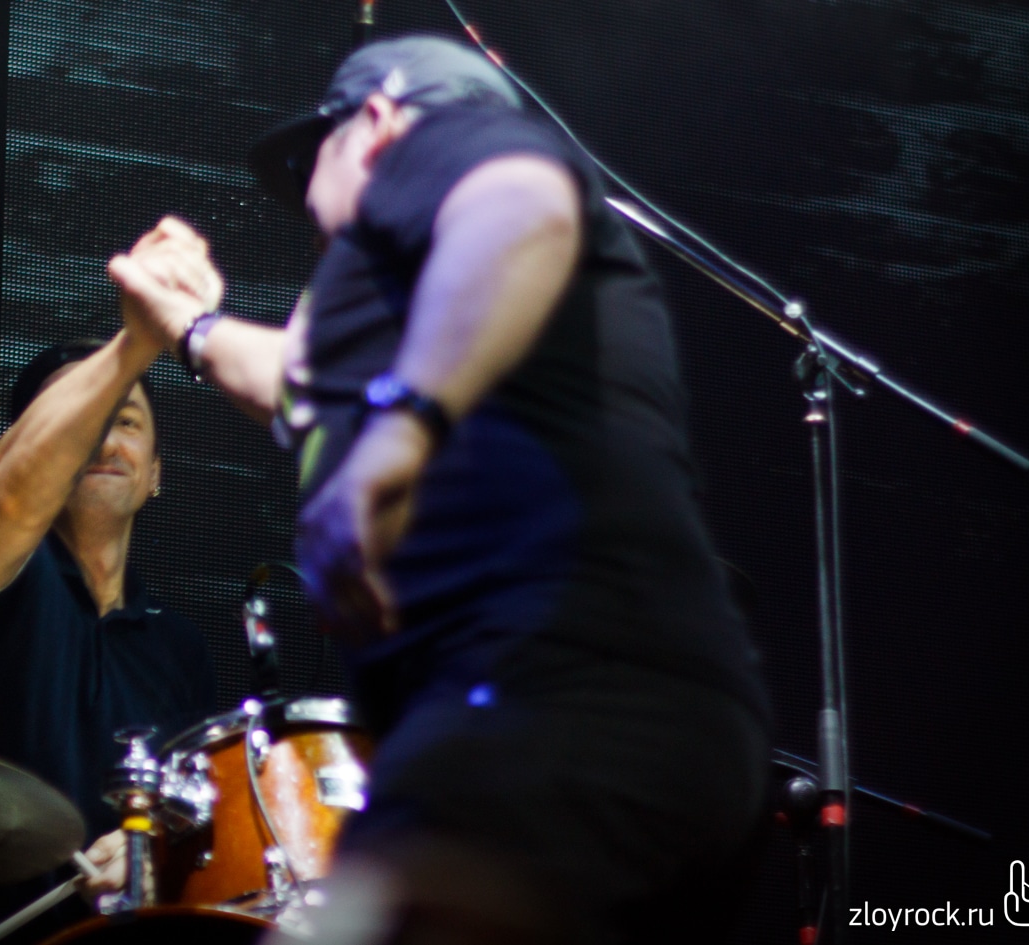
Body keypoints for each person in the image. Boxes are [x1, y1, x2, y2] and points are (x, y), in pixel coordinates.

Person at [104, 34, 771, 945]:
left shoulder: (449, 154)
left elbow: (519, 201)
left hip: (558, 706)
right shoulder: (447, 310)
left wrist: (401, 430)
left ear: (375, 122)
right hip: (620, 726)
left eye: (312, 166)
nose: (311, 213)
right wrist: (189, 323)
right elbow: (302, 381)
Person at [0, 332, 218, 942]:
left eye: (125, 420)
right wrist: (141, 339)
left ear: (155, 474)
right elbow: (10, 499)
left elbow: (196, 834)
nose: (102, 440)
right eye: (75, 419)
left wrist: (151, 853)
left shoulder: (182, 649)